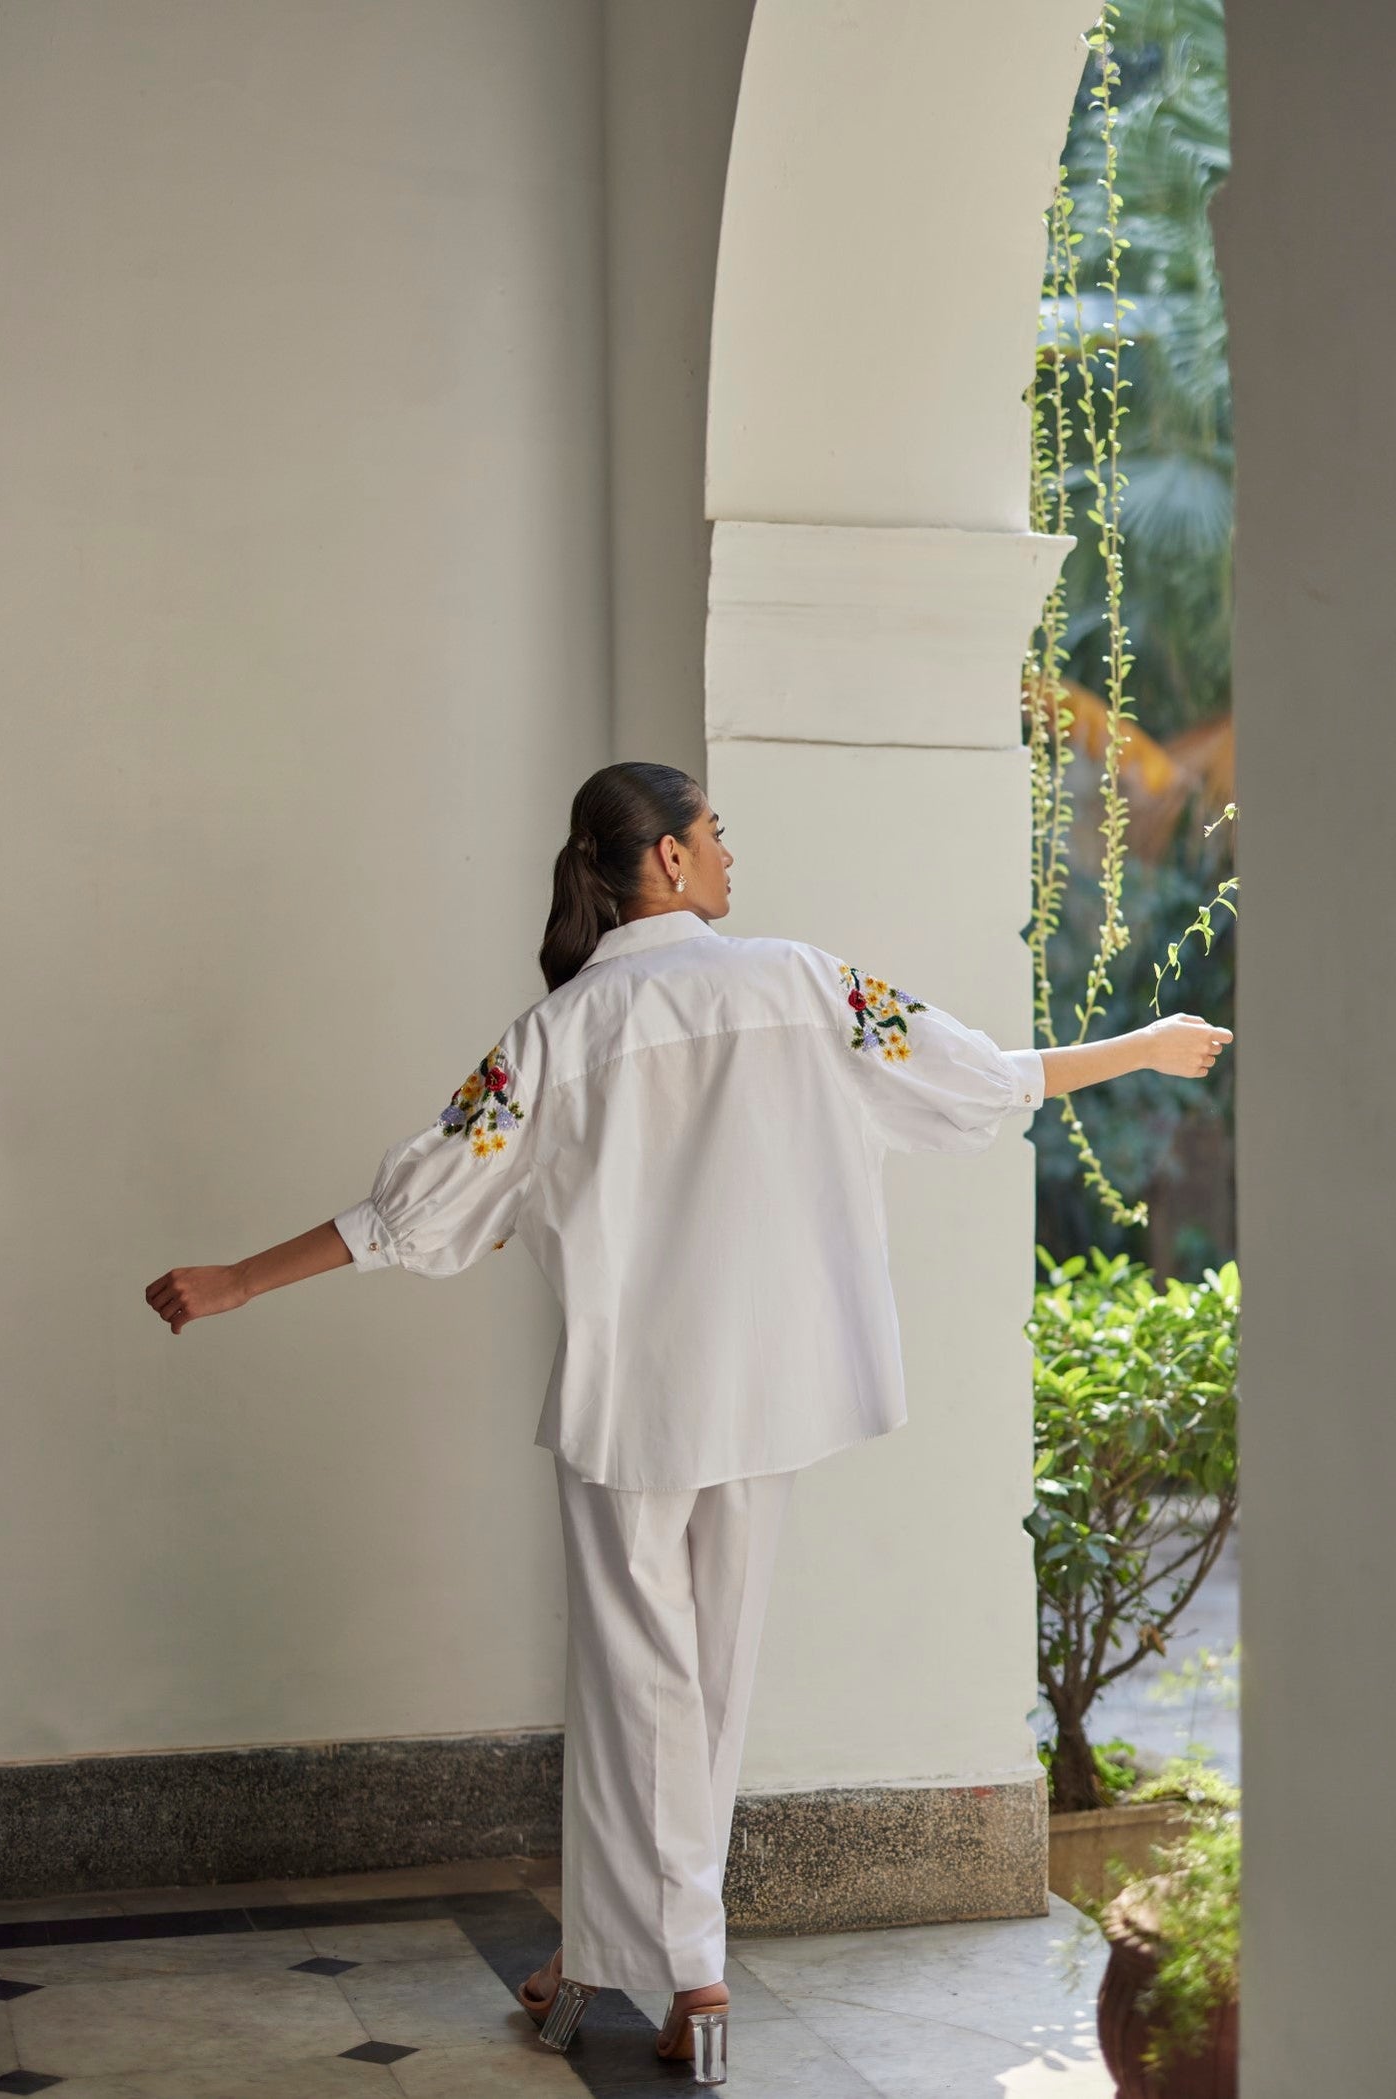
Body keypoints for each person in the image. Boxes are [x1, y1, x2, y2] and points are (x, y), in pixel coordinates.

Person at [144, 759, 1232, 2086]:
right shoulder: (802, 982)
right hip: (770, 1390)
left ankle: (691, 1974)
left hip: (633, 1406)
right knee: (696, 1694)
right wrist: (1135, 1050)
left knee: (641, 1691)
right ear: (665, 859)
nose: (729, 857)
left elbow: (419, 1210)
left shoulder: (559, 1035)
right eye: (717, 836)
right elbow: (976, 1081)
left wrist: (243, 1278)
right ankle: (597, 1965)